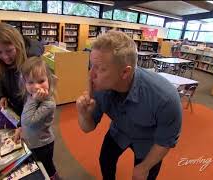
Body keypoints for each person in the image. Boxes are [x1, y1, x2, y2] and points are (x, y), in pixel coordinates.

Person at [76, 31, 182, 180]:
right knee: (105, 161)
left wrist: (145, 167)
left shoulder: (165, 98)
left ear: (125, 72)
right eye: (91, 65)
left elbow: (165, 141)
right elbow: (88, 128)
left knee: (144, 175)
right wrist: (84, 114)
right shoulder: (100, 87)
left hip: (148, 142)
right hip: (118, 131)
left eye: (100, 68)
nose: (90, 74)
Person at [14, 57, 59, 180]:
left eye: (41, 81)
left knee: (47, 168)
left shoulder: (48, 104)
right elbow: (25, 117)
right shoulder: (30, 96)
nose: (36, 87)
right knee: (40, 166)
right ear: (25, 84)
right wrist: (20, 129)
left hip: (43, 145)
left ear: (49, 80)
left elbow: (28, 121)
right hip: (33, 142)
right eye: (30, 82)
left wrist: (34, 100)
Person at [0, 22, 44, 117]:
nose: (5, 57)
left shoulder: (30, 62)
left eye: (9, 50)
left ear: (18, 45)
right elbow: (0, 80)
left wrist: (24, 124)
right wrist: (2, 95)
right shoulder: (0, 62)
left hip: (32, 117)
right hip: (16, 111)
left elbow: (38, 101)